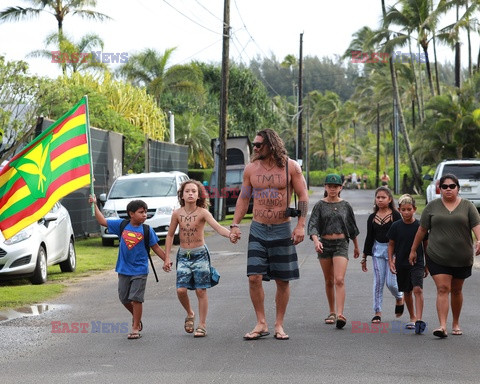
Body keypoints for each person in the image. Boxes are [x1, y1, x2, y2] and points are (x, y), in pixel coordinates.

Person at [229, 128, 308, 341]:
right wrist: (235, 224)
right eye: (254, 145)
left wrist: (300, 225)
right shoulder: (250, 169)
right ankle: (261, 322)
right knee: (254, 277)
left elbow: (302, 195)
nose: (254, 148)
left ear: (270, 144)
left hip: (282, 228)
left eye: (258, 145)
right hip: (258, 227)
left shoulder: (290, 167)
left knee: (282, 280)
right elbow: (244, 199)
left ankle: (279, 324)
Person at [88, 195, 172, 340]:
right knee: (124, 298)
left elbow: (156, 247)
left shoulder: (147, 230)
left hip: (140, 270)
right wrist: (94, 204)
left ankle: (135, 327)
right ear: (131, 214)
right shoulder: (122, 225)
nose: (144, 215)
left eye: (146, 212)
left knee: (136, 298)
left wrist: (166, 260)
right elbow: (102, 221)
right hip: (123, 269)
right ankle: (136, 316)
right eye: (141, 212)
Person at [409, 174, 480, 338]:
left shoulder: (468, 206)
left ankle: (455, 322)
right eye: (444, 186)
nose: (448, 189)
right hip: (437, 255)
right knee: (443, 288)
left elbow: (476, 226)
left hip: (462, 257)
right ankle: (442, 326)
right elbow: (421, 230)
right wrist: (413, 250)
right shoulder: (432, 207)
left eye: (452, 186)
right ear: (439, 189)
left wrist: (479, 241)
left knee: (456, 290)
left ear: (458, 188)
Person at [165, 179, 237, 338]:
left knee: (200, 289)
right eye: (187, 191)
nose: (190, 193)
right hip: (183, 255)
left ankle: (202, 325)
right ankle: (190, 313)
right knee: (181, 289)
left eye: (194, 191)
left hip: (200, 254)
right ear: (182, 195)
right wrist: (166, 257)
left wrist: (230, 235)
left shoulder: (203, 212)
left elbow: (217, 227)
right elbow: (170, 235)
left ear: (198, 196)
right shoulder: (177, 214)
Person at [308, 173, 360, 329]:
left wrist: (356, 246)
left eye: (335, 186)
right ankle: (331, 311)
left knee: (339, 279)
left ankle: (340, 313)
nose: (332, 189)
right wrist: (316, 241)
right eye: (329, 186)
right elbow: (313, 226)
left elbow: (352, 227)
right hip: (324, 244)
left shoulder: (345, 205)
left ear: (340, 188)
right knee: (329, 280)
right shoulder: (319, 205)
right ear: (325, 187)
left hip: (341, 244)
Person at [361, 186, 404, 323]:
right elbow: (369, 237)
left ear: (389, 199)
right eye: (378, 197)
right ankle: (377, 311)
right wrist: (364, 257)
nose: (380, 200)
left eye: (383, 197)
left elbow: (400, 236)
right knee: (378, 282)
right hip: (378, 251)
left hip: (394, 252)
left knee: (391, 283)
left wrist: (401, 253)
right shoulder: (372, 218)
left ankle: (399, 297)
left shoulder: (396, 216)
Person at [387, 194, 428, 334]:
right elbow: (391, 244)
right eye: (403, 209)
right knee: (407, 291)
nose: (406, 212)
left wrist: (427, 264)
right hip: (401, 263)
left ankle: (419, 320)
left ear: (414, 209)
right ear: (399, 210)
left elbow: (426, 245)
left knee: (418, 289)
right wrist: (391, 260)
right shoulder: (395, 226)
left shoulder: (420, 226)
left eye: (409, 209)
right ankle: (412, 316)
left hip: (417, 262)